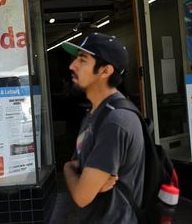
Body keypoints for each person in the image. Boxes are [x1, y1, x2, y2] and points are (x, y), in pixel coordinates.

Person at [62, 32, 145, 223]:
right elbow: (81, 167)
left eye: (82, 60)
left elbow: (82, 196)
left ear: (105, 71)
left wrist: (67, 169)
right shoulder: (95, 114)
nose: (72, 65)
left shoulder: (115, 121)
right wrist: (81, 176)